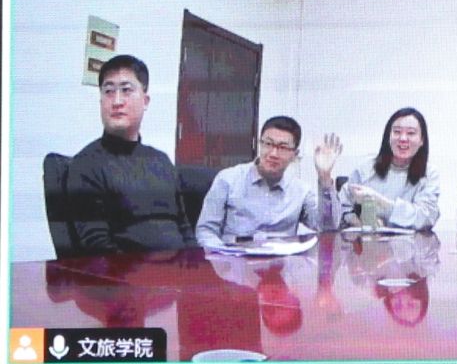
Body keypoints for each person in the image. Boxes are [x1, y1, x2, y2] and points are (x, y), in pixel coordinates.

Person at [66, 54, 192, 254]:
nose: (117, 101)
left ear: (145, 101)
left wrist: (197, 266)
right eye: (108, 91)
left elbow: (185, 230)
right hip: (127, 272)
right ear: (101, 101)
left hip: (179, 270)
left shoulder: (161, 161)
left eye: (126, 90)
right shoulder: (86, 165)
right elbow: (98, 248)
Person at [194, 116, 339, 249]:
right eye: (268, 144)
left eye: (283, 147)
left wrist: (324, 176)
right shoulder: (228, 180)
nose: (273, 153)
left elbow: (327, 228)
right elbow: (206, 230)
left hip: (281, 264)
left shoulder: (300, 190)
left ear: (295, 155)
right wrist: (222, 255)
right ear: (259, 144)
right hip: (235, 259)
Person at [322, 108, 441, 231]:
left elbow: (425, 219)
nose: (403, 138)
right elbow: (342, 210)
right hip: (369, 242)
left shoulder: (429, 174)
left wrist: (380, 201)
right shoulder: (365, 169)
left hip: (412, 243)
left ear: (422, 140)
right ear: (388, 136)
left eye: (411, 133)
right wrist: (359, 223)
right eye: (397, 132)